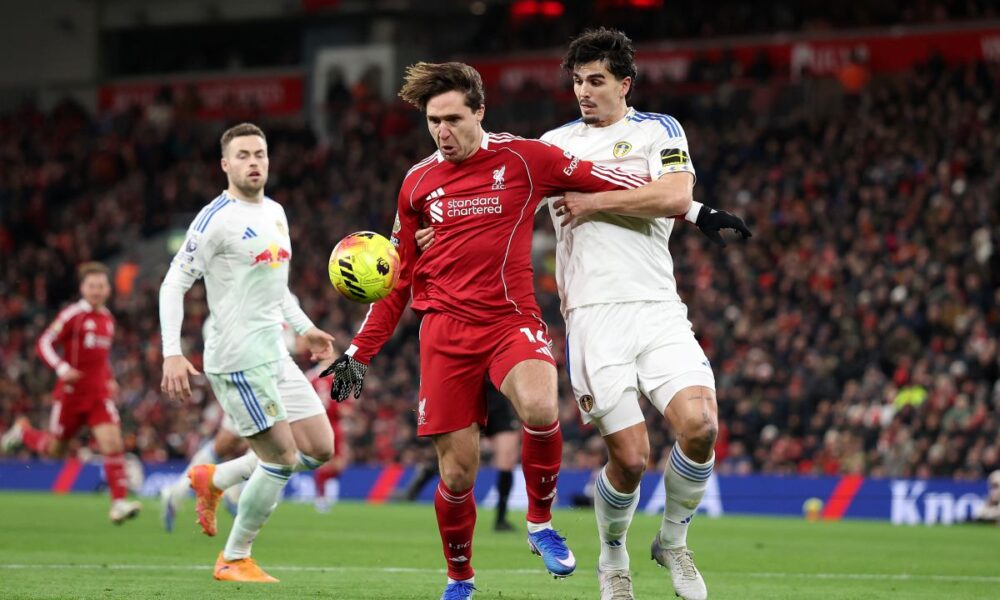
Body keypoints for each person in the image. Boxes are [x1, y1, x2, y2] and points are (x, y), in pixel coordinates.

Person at [415, 29, 751, 600]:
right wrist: (440, 230)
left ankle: (672, 540)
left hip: (658, 306)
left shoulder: (659, 129)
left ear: (625, 83)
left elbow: (671, 194)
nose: (584, 92)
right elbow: (484, 182)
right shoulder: (552, 144)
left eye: (596, 81)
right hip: (592, 317)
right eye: (576, 82)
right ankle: (613, 557)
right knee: (631, 457)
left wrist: (635, 205)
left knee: (702, 427)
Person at [320, 61, 648, 600]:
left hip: (509, 320)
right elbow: (395, 281)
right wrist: (360, 351)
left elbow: (611, 180)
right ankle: (460, 579)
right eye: (432, 122)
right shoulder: (417, 183)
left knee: (541, 408)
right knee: (456, 477)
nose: (442, 132)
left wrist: (690, 204)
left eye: (452, 119)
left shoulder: (525, 158)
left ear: (480, 112)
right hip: (445, 335)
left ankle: (540, 523)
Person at [159, 122, 337, 583]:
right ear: (225, 164)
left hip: (274, 352)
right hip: (237, 359)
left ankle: (212, 480)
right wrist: (170, 352)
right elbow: (173, 283)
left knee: (319, 449)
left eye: (259, 153)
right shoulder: (215, 218)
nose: (253, 161)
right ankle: (233, 558)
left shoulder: (276, 212)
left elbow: (277, 288)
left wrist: (306, 328)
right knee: (280, 460)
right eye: (243, 155)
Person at [2, 262, 142, 525]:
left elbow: (101, 358)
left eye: (101, 286)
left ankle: (119, 502)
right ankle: (24, 432)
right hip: (71, 395)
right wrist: (62, 367)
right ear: (82, 288)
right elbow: (44, 342)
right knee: (55, 450)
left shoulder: (108, 319)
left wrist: (109, 379)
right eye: (92, 286)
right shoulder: (72, 315)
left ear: (108, 288)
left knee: (113, 443)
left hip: (98, 394)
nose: (97, 291)